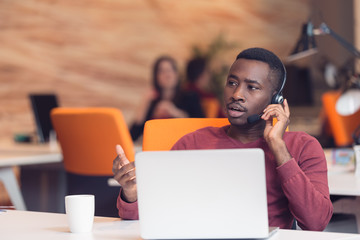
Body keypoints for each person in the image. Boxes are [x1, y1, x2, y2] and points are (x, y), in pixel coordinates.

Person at [113, 48, 333, 230]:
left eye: (252, 87)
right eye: (232, 83)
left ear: (275, 99)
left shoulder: (303, 146)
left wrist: (278, 147)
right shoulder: (192, 144)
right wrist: (132, 194)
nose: (236, 94)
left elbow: (316, 222)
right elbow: (150, 214)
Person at [130, 56, 204, 141]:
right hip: (157, 146)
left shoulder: (189, 97)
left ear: (176, 74)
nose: (167, 75)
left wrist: (175, 112)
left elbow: (200, 126)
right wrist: (145, 102)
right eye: (162, 71)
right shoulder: (154, 100)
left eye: (170, 70)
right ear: (156, 77)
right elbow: (133, 136)